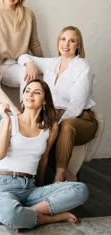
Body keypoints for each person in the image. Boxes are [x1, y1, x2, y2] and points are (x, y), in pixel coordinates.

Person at [0, 79, 89, 231]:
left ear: (45, 101)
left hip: (30, 188)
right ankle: (49, 218)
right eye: (27, 91)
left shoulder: (49, 128)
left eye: (37, 92)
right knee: (10, 214)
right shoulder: (9, 122)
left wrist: (41, 188)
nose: (30, 94)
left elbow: (43, 159)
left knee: (81, 190)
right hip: (3, 187)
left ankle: (27, 215)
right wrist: (7, 119)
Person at [18, 26, 98, 182]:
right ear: (58, 42)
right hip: (54, 114)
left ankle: (59, 177)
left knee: (66, 126)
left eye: (72, 41)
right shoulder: (52, 63)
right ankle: (35, 177)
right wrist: (30, 64)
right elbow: (23, 56)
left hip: (81, 119)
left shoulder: (82, 67)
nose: (66, 44)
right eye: (63, 39)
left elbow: (76, 106)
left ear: (78, 46)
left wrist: (53, 125)